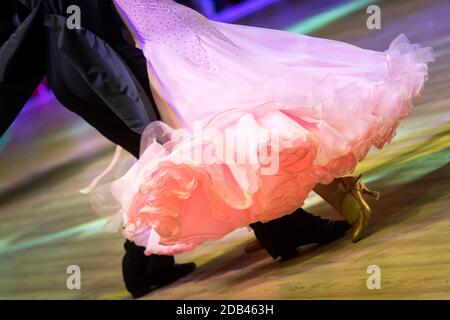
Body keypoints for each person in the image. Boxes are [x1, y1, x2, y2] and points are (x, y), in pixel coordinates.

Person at [0, 0, 352, 298]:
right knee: (193, 145)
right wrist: (154, 71)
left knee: (164, 157)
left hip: (66, 74)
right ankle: (283, 228)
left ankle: (147, 265)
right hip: (100, 68)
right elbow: (92, 30)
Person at [107, 0, 433, 256]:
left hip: (177, 45)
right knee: (232, 140)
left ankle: (341, 195)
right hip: (166, 50)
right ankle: (283, 221)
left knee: (247, 126)